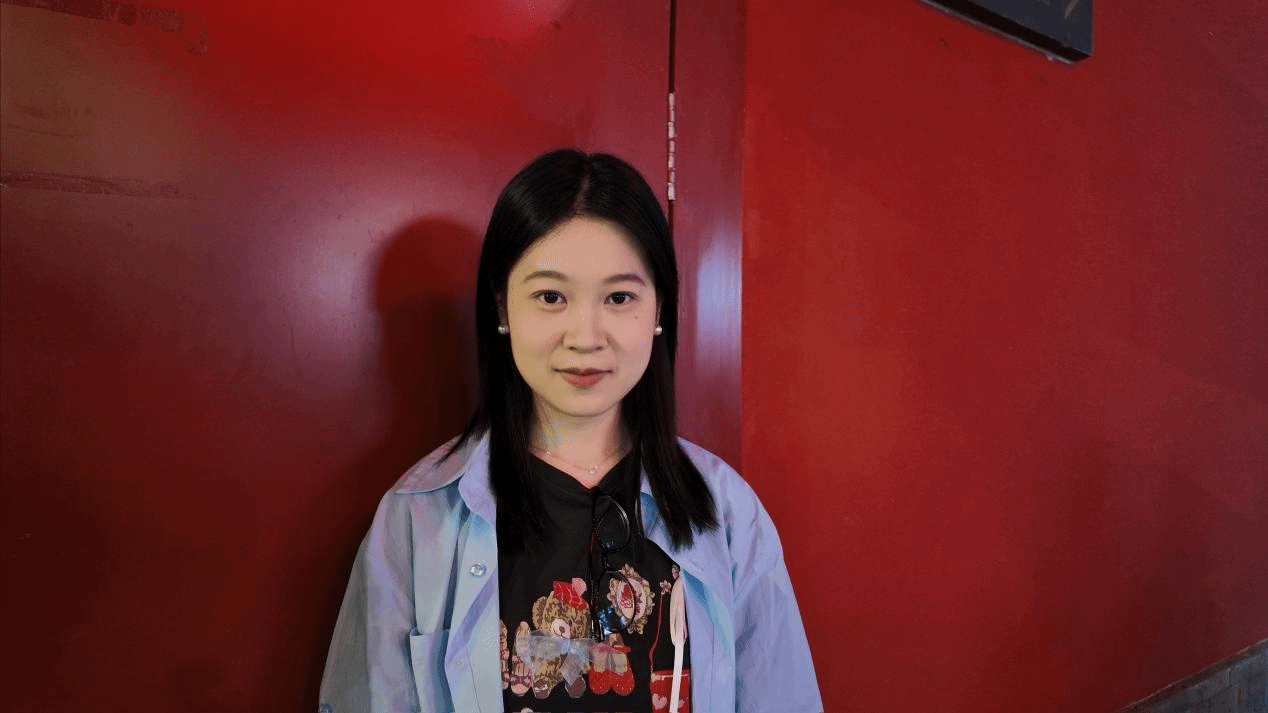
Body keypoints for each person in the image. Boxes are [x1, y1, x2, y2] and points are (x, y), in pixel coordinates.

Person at [319, 149, 821, 713]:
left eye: (619, 297)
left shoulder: (726, 514)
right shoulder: (416, 518)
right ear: (502, 308)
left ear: (660, 310)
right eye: (551, 296)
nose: (585, 336)